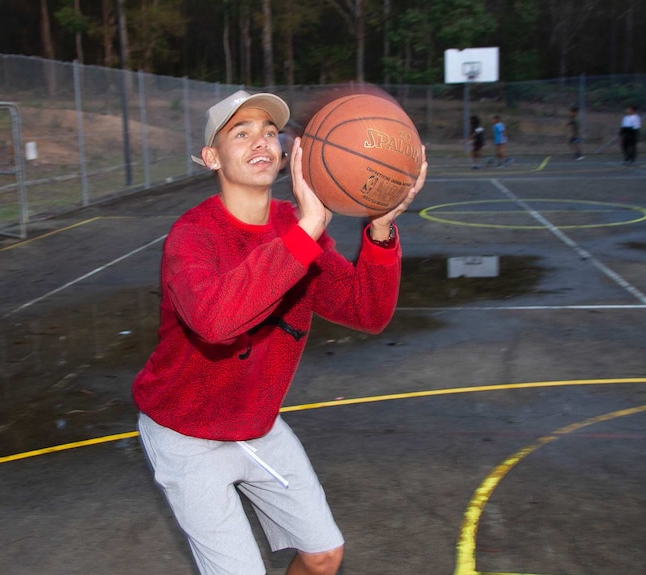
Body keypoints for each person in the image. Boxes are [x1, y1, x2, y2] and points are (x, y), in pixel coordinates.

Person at [132, 89, 428, 575]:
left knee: (322, 556)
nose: (261, 142)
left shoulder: (295, 226)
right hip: (184, 433)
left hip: (254, 424)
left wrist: (380, 228)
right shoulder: (193, 236)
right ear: (211, 157)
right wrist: (306, 232)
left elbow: (366, 310)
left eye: (270, 132)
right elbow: (216, 323)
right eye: (241, 132)